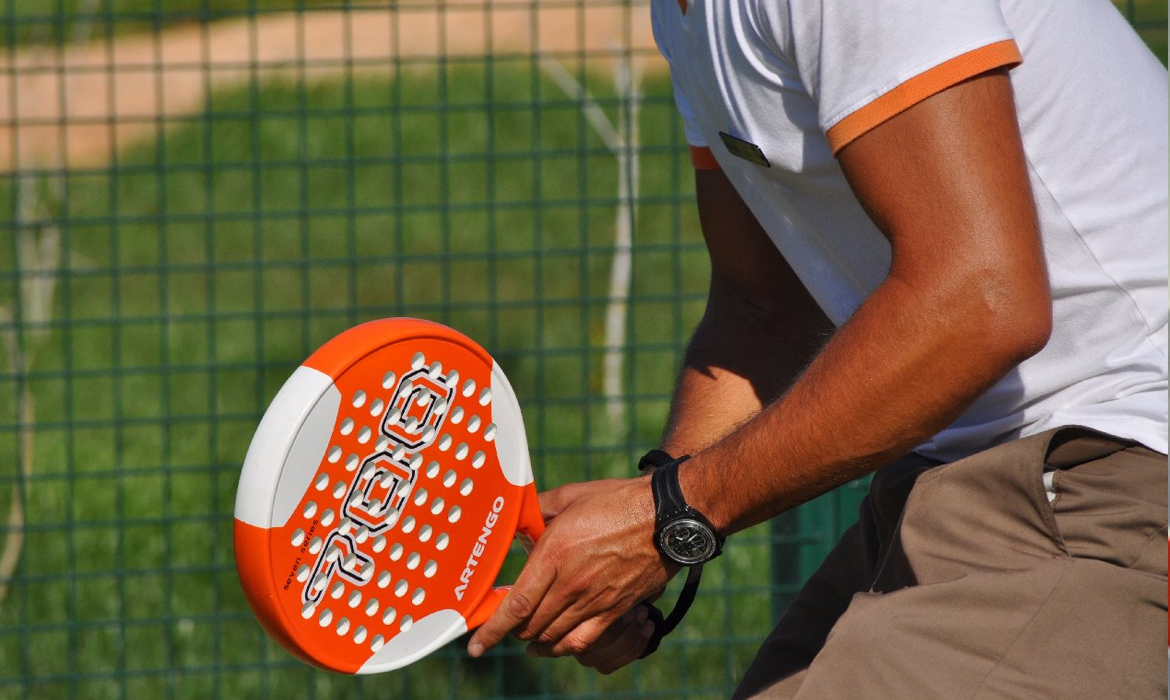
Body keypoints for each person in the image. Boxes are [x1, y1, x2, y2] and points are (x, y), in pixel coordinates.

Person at [467, 0, 1169, 696]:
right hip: (964, 471)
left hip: (1115, 448)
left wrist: (672, 517)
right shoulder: (686, 18)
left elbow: (983, 302)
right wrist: (656, 509)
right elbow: (761, 306)